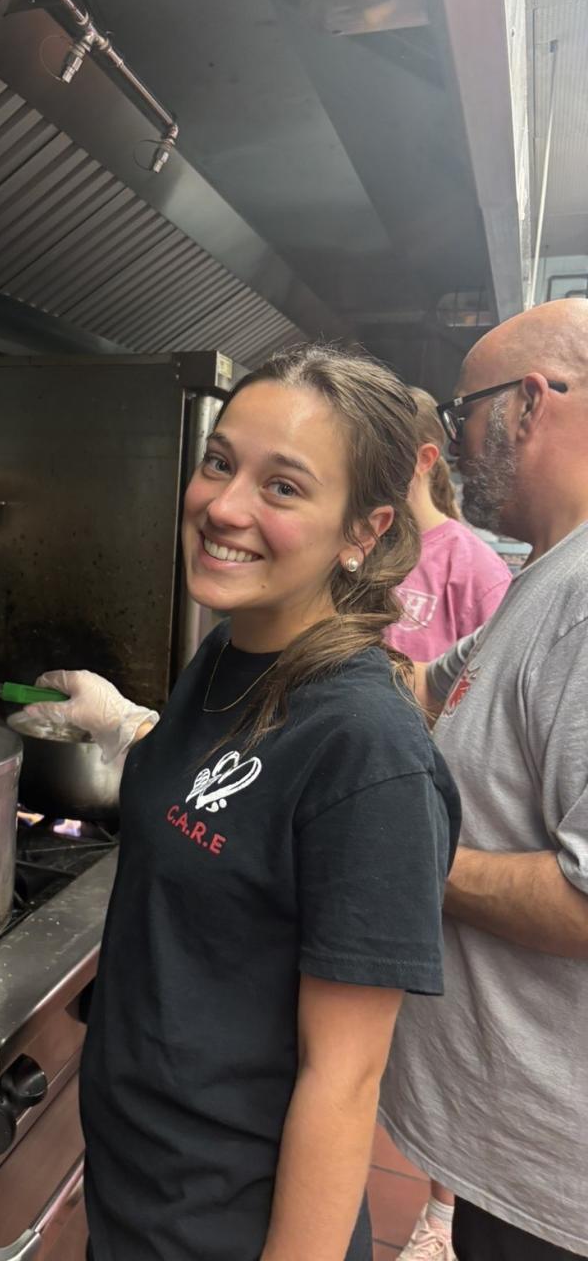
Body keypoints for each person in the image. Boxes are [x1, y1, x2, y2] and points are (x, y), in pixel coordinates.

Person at [23, 345, 460, 1261]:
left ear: (364, 530)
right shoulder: (229, 654)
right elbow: (221, 808)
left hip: (226, 1228)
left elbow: (344, 1079)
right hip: (139, 1196)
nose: (224, 506)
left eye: (283, 487)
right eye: (220, 462)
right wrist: (128, 728)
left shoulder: (366, 750)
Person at [380, 297, 588, 1261]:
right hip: (513, 1164)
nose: (459, 442)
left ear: (531, 404)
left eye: (466, 412)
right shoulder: (547, 578)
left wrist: (400, 855)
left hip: (558, 1195)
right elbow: (420, 687)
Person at [385, 388, 510, 1261]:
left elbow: (481, 695)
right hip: (367, 800)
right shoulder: (369, 547)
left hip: (434, 814)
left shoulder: (469, 561)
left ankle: (442, 1211)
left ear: (423, 459)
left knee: (440, 1015)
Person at [383, 387, 511, 663]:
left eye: (376, 454)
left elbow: (492, 672)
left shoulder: (476, 569)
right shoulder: (356, 546)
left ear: (423, 459)